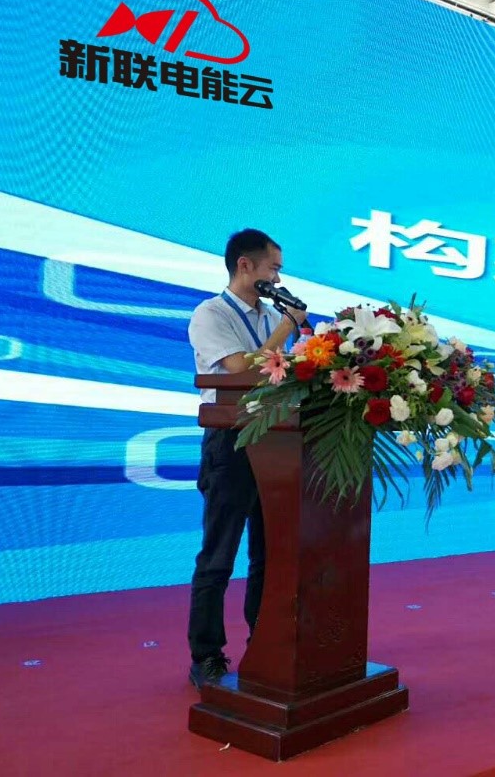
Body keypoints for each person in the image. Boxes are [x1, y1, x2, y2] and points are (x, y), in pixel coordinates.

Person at [185, 228, 308, 689]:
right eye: (273, 268)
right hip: (231, 443)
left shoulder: (268, 315)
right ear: (245, 266)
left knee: (267, 555)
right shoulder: (210, 314)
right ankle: (206, 655)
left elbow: (278, 376)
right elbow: (240, 369)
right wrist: (287, 327)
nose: (277, 277)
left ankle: (264, 641)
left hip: (275, 441)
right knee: (219, 556)